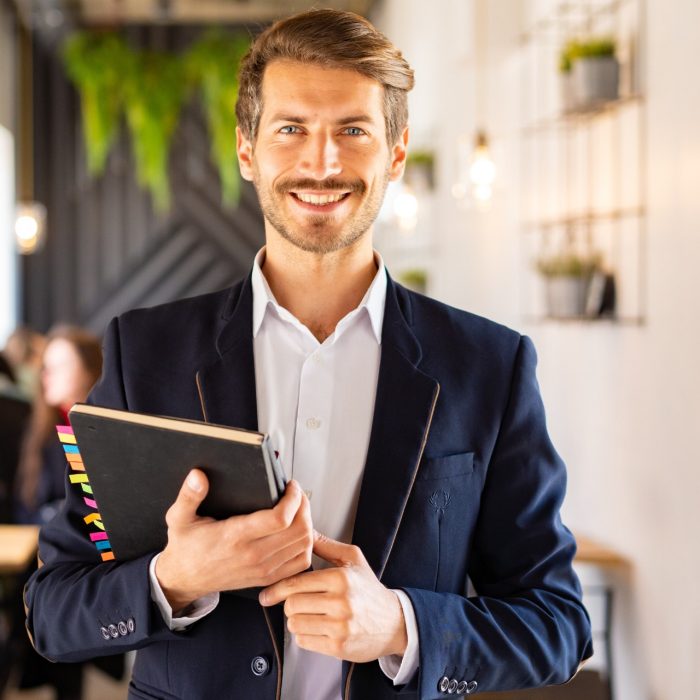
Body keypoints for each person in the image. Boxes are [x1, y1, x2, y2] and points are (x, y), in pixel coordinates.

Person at [25, 10, 592, 700]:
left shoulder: (488, 366)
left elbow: (558, 622)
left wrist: (402, 626)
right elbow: (53, 607)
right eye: (291, 129)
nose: (321, 163)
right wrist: (174, 578)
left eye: (352, 130)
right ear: (245, 150)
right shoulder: (145, 353)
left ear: (396, 152)